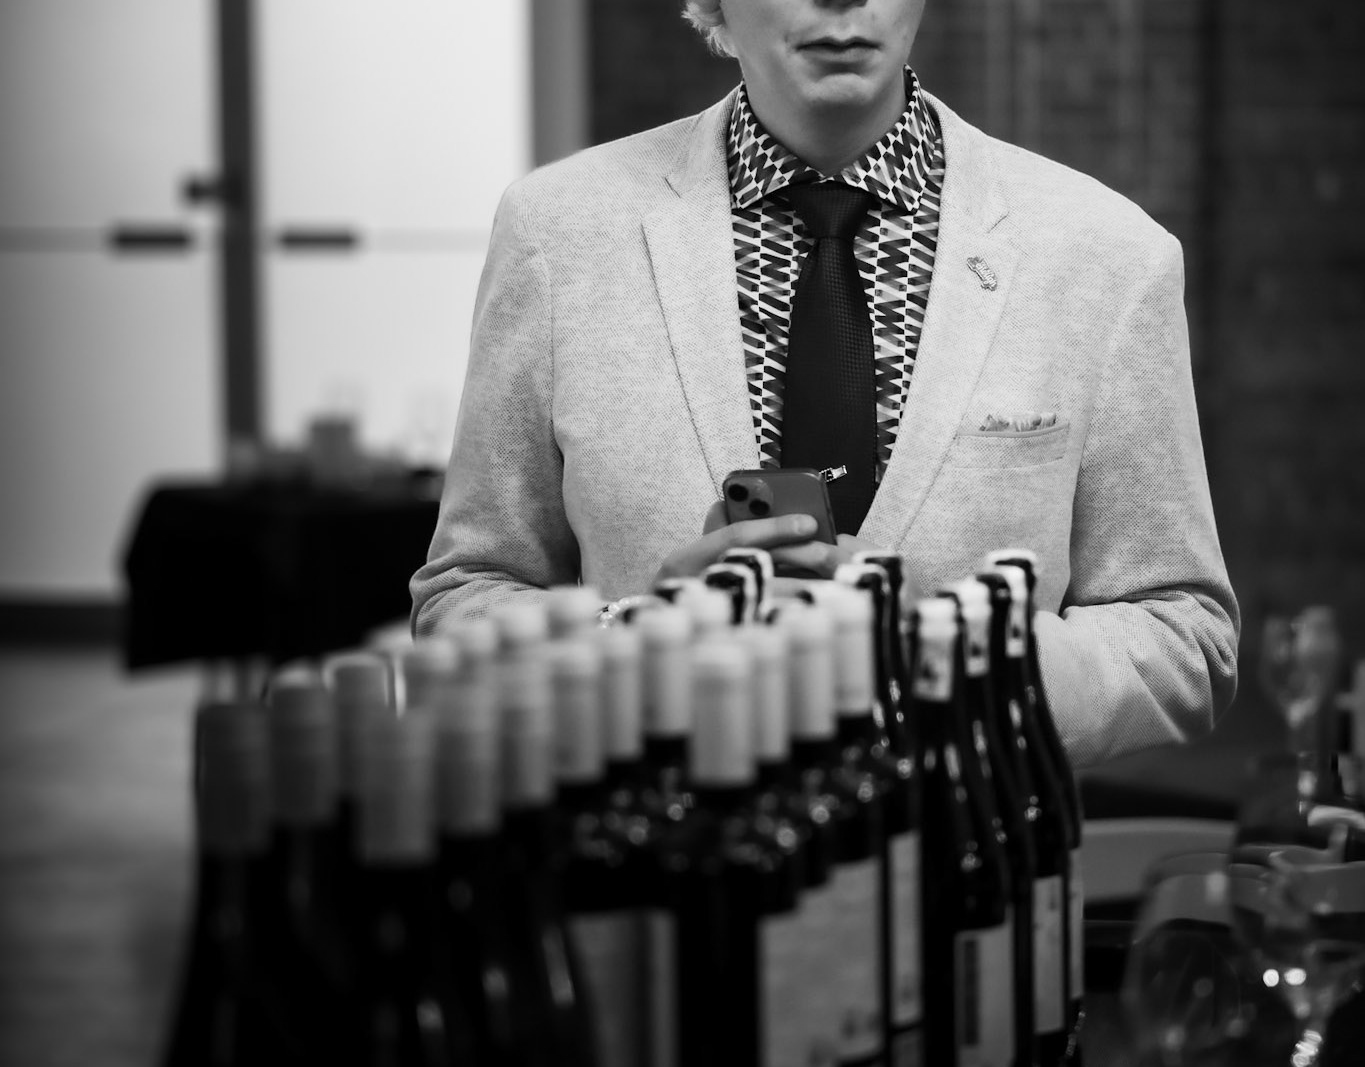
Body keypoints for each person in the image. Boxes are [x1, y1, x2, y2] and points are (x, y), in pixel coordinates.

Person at [410, 0, 1239, 767]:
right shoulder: (556, 232)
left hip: (970, 858)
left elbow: (1184, 636)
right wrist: (640, 649)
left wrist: (951, 659)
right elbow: (463, 595)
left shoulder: (1107, 254)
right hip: (654, 857)